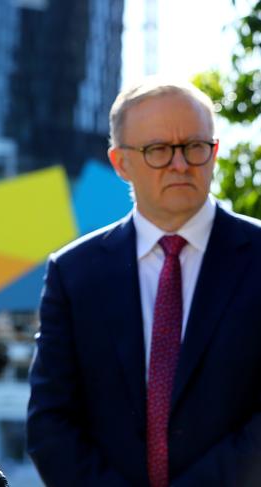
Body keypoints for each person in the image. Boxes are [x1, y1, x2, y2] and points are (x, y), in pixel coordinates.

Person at [27, 78, 261, 487]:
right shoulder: (73, 273)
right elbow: (51, 422)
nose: (180, 163)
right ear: (120, 163)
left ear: (215, 151)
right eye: (158, 150)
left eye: (194, 146)